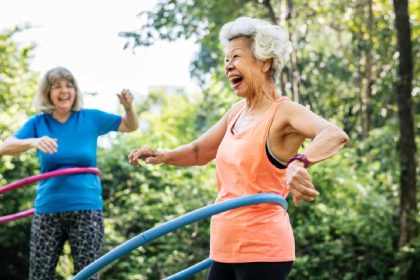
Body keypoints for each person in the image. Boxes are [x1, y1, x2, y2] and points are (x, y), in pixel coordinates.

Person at [128, 17, 349, 280]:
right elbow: (200, 152)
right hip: (223, 247)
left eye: (236, 57)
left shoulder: (284, 112)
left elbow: (334, 134)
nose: (228, 66)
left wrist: (299, 162)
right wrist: (164, 155)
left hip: (262, 249)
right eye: (226, 60)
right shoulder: (236, 113)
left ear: (265, 61)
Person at [0, 66, 139, 280]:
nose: (64, 90)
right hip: (47, 209)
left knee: (88, 275)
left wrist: (129, 107)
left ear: (75, 90)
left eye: (69, 85)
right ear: (48, 92)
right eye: (57, 86)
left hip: (86, 209)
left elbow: (129, 126)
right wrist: (33, 141)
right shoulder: (38, 123)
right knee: (39, 275)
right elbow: (4, 147)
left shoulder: (90, 118)